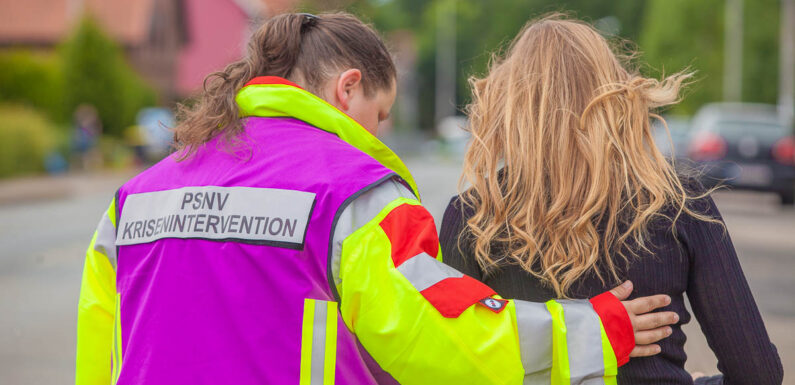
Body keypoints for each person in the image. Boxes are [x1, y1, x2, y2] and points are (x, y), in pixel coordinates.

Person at [75, 13, 679, 385]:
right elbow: (443, 337)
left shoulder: (136, 199)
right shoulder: (355, 196)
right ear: (347, 88)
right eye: (380, 115)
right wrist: (597, 330)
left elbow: (99, 356)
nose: (380, 136)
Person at [440, 15, 783, 385]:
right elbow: (757, 373)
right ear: (615, 93)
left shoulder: (473, 216)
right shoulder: (679, 203)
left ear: (511, 105)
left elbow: (455, 363)